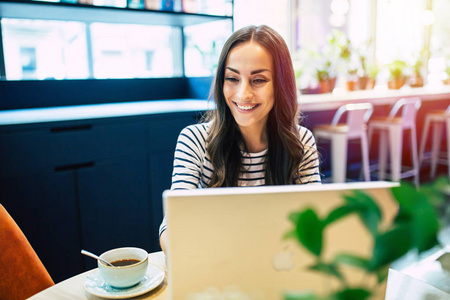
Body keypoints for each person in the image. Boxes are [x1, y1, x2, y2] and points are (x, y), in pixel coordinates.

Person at [159, 25, 321, 253]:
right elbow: (171, 227)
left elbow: (314, 227)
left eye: (258, 80)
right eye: (232, 78)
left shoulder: (301, 142)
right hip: (214, 266)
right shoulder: (194, 140)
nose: (243, 93)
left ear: (280, 85)